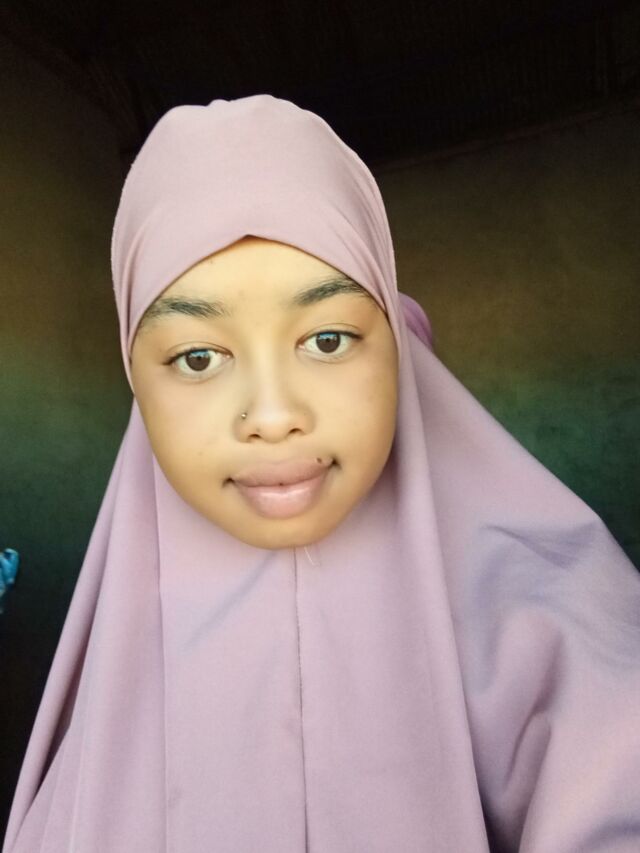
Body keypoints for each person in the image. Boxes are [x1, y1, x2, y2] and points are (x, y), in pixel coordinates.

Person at [3, 94, 640, 852]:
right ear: (136, 380)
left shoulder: (532, 602)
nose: (273, 414)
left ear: (395, 350)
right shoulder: (116, 666)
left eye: (329, 339)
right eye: (198, 357)